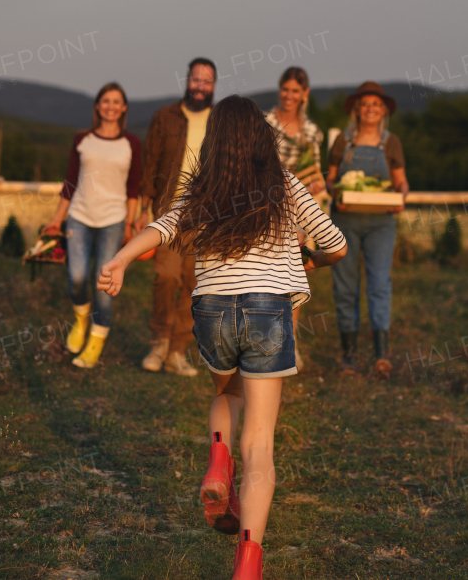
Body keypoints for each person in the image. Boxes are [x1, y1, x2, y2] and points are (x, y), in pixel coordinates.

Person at [99, 96, 346, 580]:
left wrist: (121, 260)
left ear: (216, 141)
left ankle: (217, 461)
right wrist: (309, 262)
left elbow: (162, 227)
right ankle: (248, 564)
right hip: (267, 309)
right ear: (261, 137)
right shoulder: (285, 185)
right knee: (260, 443)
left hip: (212, 309)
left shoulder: (204, 189)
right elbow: (334, 244)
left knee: (225, 395)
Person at [43, 83, 142, 369]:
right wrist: (56, 219)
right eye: (105, 101)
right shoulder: (81, 139)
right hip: (79, 216)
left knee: (103, 284)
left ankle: (96, 339)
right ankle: (81, 319)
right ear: (97, 106)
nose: (111, 106)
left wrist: (129, 223)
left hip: (113, 219)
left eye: (116, 102)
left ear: (123, 108)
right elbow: (70, 181)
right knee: (76, 277)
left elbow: (133, 187)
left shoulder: (132, 143)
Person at [134, 57, 216, 377]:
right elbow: (150, 162)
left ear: (213, 86)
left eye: (206, 81)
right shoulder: (165, 117)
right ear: (186, 81)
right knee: (166, 277)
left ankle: (178, 350)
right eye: (195, 79)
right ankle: (159, 341)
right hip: (168, 210)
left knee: (195, 284)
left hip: (206, 215)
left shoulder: (220, 122)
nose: (199, 86)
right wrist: (143, 209)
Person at [325, 82, 409, 374]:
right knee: (346, 287)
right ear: (356, 110)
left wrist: (402, 197)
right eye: (365, 104)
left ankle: (381, 354)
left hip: (381, 223)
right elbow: (331, 179)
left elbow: (400, 181)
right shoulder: (343, 142)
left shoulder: (391, 143)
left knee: (379, 284)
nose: (370, 109)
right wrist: (337, 194)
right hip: (344, 220)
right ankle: (349, 356)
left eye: (376, 104)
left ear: (383, 109)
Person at [264, 67, 325, 371]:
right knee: (264, 278)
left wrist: (315, 185)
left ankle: (291, 344)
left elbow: (316, 172)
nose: (288, 96)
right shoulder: (266, 123)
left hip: (298, 214)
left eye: (295, 91)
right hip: (267, 209)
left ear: (305, 94)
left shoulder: (313, 132)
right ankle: (262, 340)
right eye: (284, 90)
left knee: (294, 278)